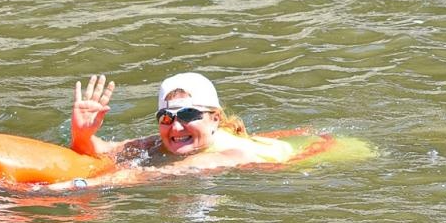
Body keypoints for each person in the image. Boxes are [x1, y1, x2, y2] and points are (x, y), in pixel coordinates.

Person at [63, 72, 293, 185]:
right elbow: (106, 149)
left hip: (302, 156)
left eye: (188, 114)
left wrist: (80, 185)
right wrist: (82, 132)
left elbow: (151, 174)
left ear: (215, 118)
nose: (176, 126)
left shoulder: (230, 155)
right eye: (166, 117)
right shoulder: (164, 140)